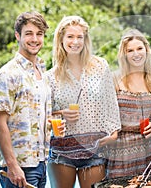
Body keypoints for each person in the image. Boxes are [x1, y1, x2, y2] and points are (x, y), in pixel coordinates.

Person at [45, 15, 121, 188]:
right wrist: (61, 114)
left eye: (80, 37)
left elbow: (111, 103)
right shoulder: (51, 76)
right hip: (61, 151)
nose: (75, 42)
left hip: (94, 150)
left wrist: (114, 133)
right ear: (61, 39)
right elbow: (43, 114)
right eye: (70, 37)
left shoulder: (100, 66)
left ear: (85, 39)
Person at [0, 11, 51, 188]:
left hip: (40, 162)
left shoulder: (41, 70)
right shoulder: (8, 75)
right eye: (29, 33)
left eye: (39, 34)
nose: (35, 39)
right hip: (19, 167)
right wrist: (13, 165)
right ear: (18, 35)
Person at [105, 29, 151, 179]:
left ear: (146, 50)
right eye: (130, 50)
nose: (136, 54)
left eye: (139, 48)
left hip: (148, 149)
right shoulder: (114, 79)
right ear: (124, 54)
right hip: (120, 151)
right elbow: (103, 115)